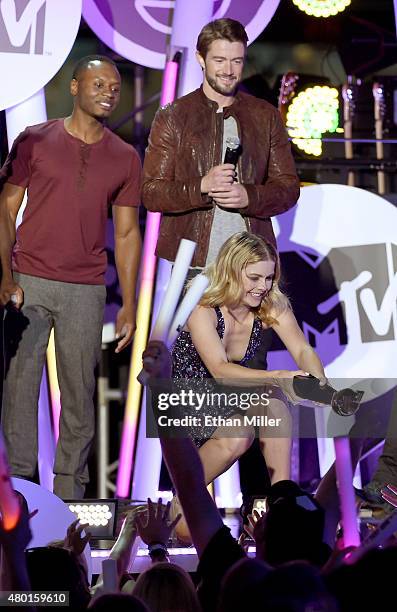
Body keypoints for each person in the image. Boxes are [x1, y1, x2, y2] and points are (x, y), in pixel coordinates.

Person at [142, 16, 300, 505]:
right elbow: (150, 192)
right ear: (202, 60)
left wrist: (247, 196)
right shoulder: (175, 117)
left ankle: (271, 511)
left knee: (250, 413)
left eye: (236, 60)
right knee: (193, 410)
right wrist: (200, 189)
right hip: (194, 279)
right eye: (220, 61)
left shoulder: (264, 117)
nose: (229, 70)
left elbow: (287, 188)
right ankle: (174, 511)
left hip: (247, 280)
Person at [0, 55, 142, 499]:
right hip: (30, 276)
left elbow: (126, 233)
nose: (108, 92)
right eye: (98, 84)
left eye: (115, 87)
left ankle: (69, 494)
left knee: (80, 393)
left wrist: (132, 305)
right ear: (75, 87)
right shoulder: (35, 140)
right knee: (21, 386)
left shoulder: (123, 157)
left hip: (85, 287)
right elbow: (5, 207)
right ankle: (21, 489)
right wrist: (5, 276)